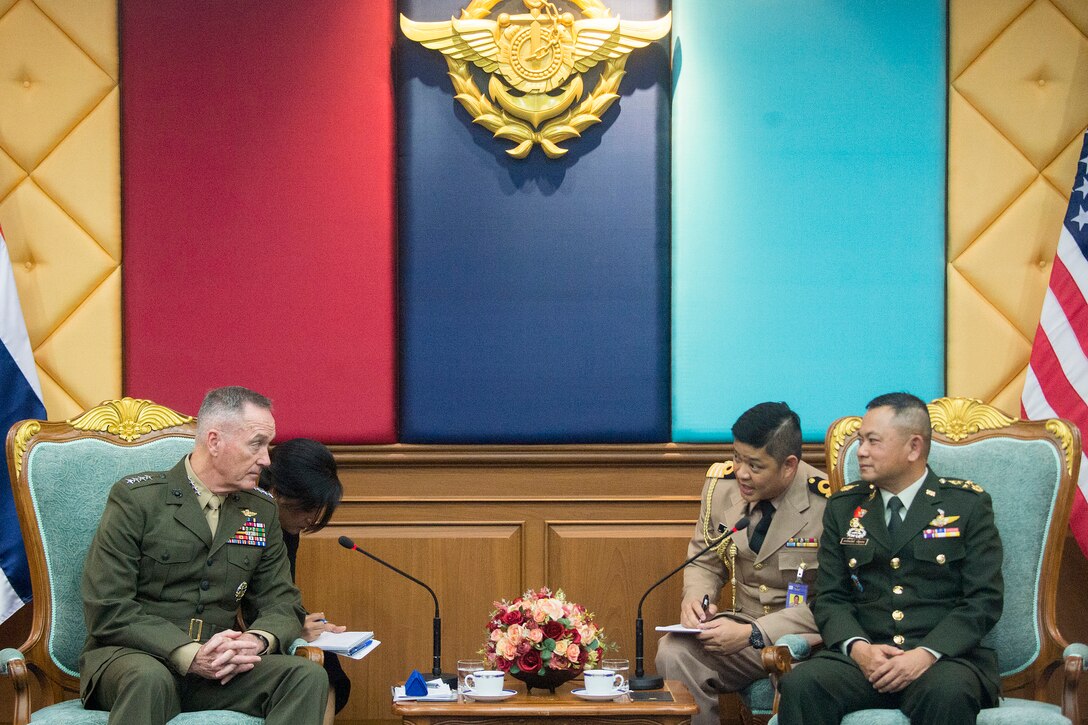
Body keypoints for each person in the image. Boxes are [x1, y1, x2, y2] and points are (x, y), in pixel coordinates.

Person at [80, 386, 328, 725]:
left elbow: (282, 603)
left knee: (305, 676)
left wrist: (258, 640)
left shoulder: (261, 511)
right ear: (214, 441)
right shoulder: (137, 500)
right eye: (256, 443)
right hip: (134, 659)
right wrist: (188, 653)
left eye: (268, 446)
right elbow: (108, 607)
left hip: (218, 670)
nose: (267, 459)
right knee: (148, 679)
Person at [778, 393, 1004, 725]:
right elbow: (830, 597)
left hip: (942, 662)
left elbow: (983, 600)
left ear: (913, 447)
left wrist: (925, 655)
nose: (862, 451)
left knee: (948, 693)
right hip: (865, 660)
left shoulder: (966, 506)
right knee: (802, 684)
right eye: (859, 440)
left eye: (873, 441)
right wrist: (859, 649)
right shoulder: (844, 507)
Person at [655, 402, 830, 725]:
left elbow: (835, 602)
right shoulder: (721, 490)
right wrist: (697, 600)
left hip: (803, 642)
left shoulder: (828, 505)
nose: (741, 472)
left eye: (755, 465)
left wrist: (756, 632)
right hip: (736, 632)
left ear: (789, 465)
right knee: (674, 651)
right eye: (737, 457)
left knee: (803, 681)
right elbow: (705, 561)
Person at [257, 437, 351, 725]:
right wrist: (293, 626)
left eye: (318, 509)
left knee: (325, 658)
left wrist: (306, 622)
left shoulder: (288, 529)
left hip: (268, 622)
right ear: (276, 492)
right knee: (314, 666)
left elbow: (280, 594)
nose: (312, 519)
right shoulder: (248, 521)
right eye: (305, 507)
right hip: (237, 634)